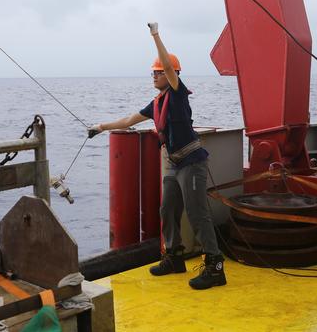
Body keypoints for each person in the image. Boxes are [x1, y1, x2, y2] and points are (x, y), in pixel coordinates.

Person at [88, 23, 226, 290]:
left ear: (171, 74)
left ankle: (215, 267)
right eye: (153, 72)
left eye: (159, 72)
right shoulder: (156, 103)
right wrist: (101, 127)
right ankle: (173, 258)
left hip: (192, 162)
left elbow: (169, 66)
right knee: (168, 210)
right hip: (173, 164)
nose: (154, 75)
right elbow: (129, 120)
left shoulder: (177, 93)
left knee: (197, 214)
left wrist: (155, 35)